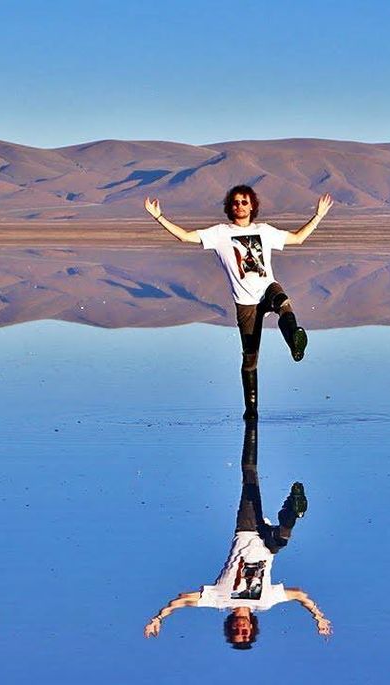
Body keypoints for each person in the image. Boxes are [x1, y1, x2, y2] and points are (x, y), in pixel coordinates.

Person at [145, 187, 333, 420]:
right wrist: (158, 217)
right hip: (245, 303)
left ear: (252, 205)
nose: (240, 205)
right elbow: (185, 236)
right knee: (250, 356)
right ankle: (251, 409)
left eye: (244, 202)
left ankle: (295, 340)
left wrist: (318, 215)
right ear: (229, 207)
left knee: (282, 300)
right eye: (235, 202)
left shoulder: (264, 231)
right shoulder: (220, 233)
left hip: (266, 288)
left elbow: (298, 238)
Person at [144, 420, 332, 648]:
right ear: (252, 627)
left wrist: (159, 618)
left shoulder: (218, 599)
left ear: (229, 626)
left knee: (249, 478)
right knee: (282, 540)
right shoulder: (265, 602)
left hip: (246, 529)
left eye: (236, 632)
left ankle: (250, 422)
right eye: (244, 632)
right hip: (267, 544)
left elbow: (183, 599)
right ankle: (292, 509)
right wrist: (318, 617)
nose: (240, 628)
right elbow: (300, 595)